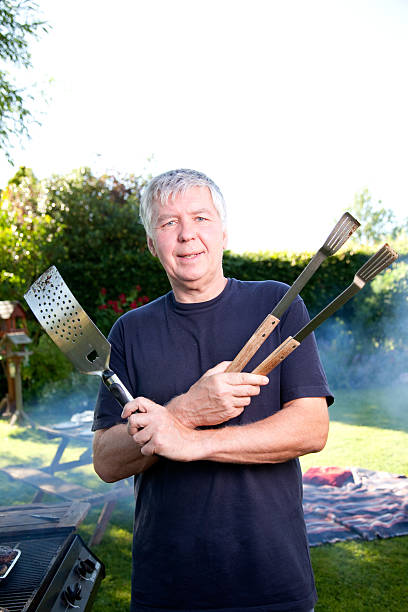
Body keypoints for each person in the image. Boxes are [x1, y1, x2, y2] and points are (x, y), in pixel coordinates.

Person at [92, 168, 333, 612]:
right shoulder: (129, 331)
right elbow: (106, 461)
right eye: (168, 223)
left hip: (272, 582)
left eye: (201, 218)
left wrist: (192, 442)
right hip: (168, 588)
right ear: (152, 244)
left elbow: (311, 428)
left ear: (223, 233)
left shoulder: (277, 306)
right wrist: (183, 412)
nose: (187, 235)